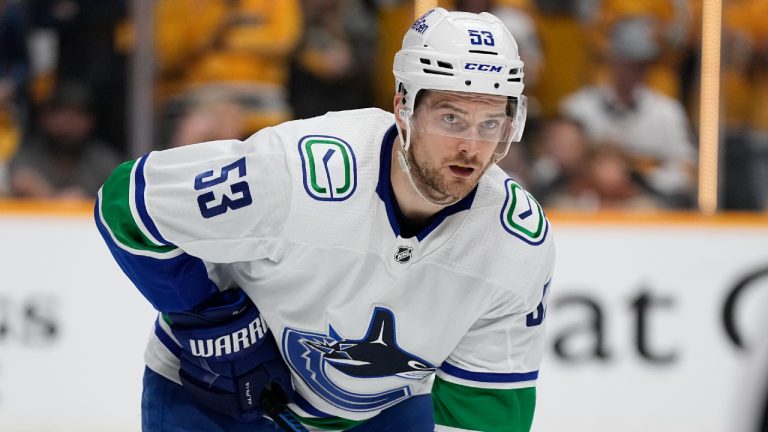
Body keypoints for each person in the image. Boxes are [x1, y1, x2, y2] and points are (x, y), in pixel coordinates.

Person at [95, 8, 554, 431]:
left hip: (376, 415)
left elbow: (483, 409)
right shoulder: (294, 172)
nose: (472, 147)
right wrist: (211, 320)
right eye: (452, 117)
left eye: (491, 123)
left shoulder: (515, 243)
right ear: (404, 108)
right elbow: (129, 204)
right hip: (215, 399)